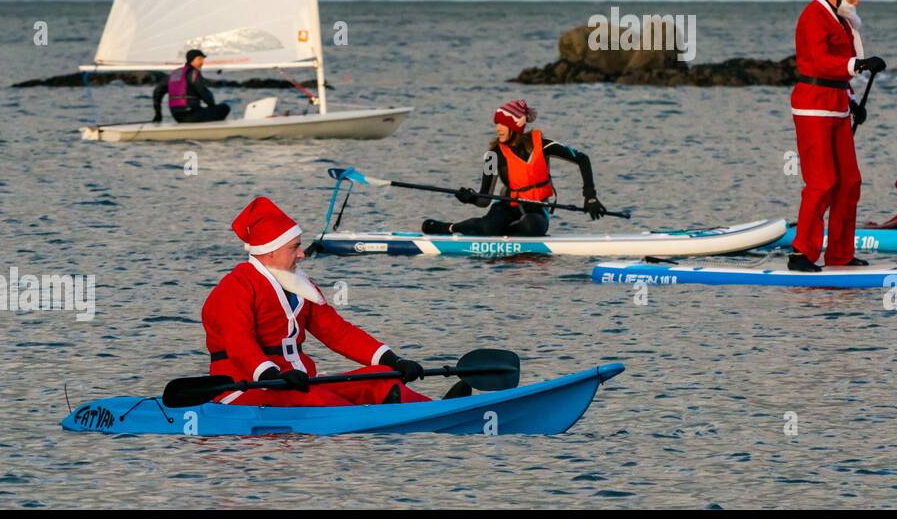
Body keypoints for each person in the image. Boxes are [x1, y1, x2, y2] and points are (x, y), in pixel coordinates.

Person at [202, 197, 432, 406]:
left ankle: (434, 407)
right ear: (270, 251)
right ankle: (383, 415)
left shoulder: (301, 285)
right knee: (314, 396)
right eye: (294, 248)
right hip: (244, 389)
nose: (302, 254)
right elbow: (239, 344)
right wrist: (271, 376)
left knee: (381, 377)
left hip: (296, 384)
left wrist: (394, 360)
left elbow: (338, 333)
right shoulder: (234, 288)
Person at [789, 0, 886, 272]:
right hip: (813, 106)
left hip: (837, 105)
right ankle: (801, 254)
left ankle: (840, 255)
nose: (857, 3)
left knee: (849, 182)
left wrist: (852, 99)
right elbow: (819, 61)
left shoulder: (842, 19)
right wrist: (857, 66)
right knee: (822, 182)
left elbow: (841, 70)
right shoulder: (813, 16)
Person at [421, 99, 606, 237]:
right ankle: (450, 228)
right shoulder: (492, 155)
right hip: (507, 206)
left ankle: (504, 232)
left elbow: (582, 159)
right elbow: (484, 199)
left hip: (537, 209)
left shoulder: (542, 145)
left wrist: (590, 196)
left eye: (503, 124)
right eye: (497, 124)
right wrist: (469, 198)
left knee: (531, 226)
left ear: (516, 126)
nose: (497, 128)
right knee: (488, 227)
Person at [153, 49, 231, 124]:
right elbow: (203, 92)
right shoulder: (194, 73)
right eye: (199, 59)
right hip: (192, 115)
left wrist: (158, 114)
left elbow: (157, 91)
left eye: (203, 59)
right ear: (191, 60)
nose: (202, 62)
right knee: (224, 107)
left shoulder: (174, 73)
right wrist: (213, 107)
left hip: (177, 117)